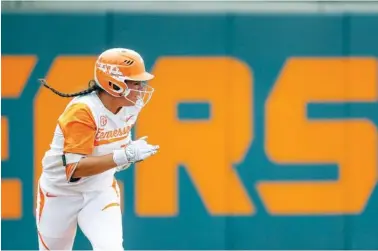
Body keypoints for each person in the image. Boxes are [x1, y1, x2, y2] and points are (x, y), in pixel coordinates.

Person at [35, 48, 159, 251]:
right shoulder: (83, 111)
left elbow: (113, 150)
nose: (141, 88)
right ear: (113, 84)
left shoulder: (130, 106)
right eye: (135, 82)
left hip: (99, 191)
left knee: (110, 248)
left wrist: (127, 154)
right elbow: (74, 170)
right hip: (60, 193)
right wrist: (124, 155)